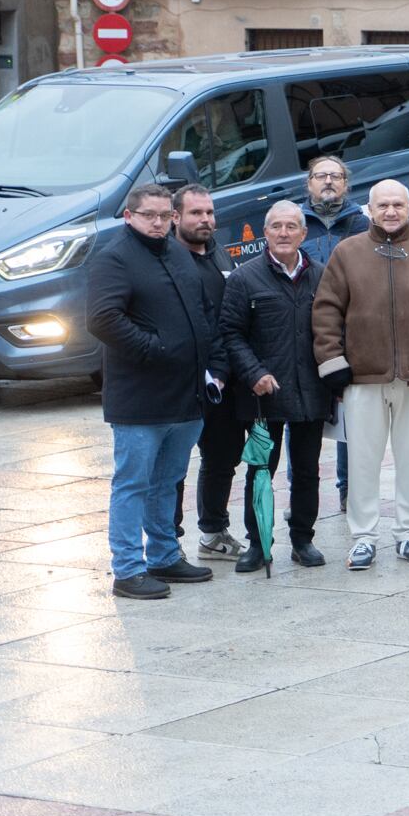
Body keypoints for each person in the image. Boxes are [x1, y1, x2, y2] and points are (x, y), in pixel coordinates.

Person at [313, 179, 409, 571]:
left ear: (408, 207)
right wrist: (333, 363)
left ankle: (408, 534)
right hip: (362, 378)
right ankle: (363, 538)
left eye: (398, 204)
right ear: (370, 209)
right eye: (384, 205)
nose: (392, 211)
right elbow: (327, 311)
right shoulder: (348, 252)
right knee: (362, 461)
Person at [88, 183, 219, 600]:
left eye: (166, 215)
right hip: (139, 398)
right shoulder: (114, 259)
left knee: (169, 481)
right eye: (151, 216)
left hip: (186, 395)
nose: (160, 222)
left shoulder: (178, 252)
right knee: (133, 484)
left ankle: (164, 555)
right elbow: (103, 319)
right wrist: (155, 348)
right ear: (130, 217)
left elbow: (201, 309)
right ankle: (127, 569)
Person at [219, 201, 333, 572]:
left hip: (310, 392)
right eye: (276, 227)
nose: (284, 233)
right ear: (264, 233)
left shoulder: (322, 276)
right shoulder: (244, 278)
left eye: (291, 226)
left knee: (307, 471)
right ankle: (258, 542)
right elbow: (231, 334)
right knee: (260, 471)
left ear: (304, 233)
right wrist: (254, 373)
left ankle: (303, 538)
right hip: (262, 397)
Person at [171, 184, 244, 563]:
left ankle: (214, 533)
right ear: (176, 217)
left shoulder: (219, 255)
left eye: (210, 213)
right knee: (173, 465)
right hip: (183, 383)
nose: (205, 220)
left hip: (223, 382)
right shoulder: (168, 260)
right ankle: (167, 543)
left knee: (222, 457)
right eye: (196, 213)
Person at [302, 155, 369, 263]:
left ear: (345, 184)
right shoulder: (295, 224)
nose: (328, 181)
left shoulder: (362, 224)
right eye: (320, 176)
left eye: (335, 176)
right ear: (309, 184)